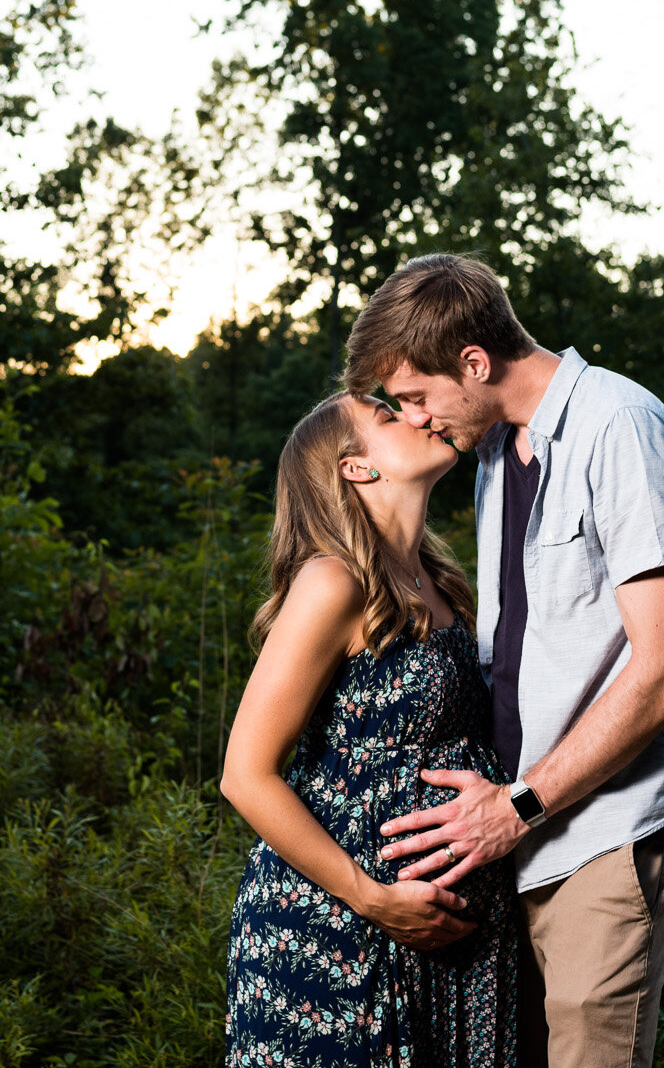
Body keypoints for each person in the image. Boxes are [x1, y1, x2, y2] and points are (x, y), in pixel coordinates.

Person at [342, 253, 664, 1068]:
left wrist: (517, 805)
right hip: (519, 837)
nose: (415, 419)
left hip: (599, 827)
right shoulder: (494, 453)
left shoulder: (620, 425)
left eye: (416, 396)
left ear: (475, 363)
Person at [222, 392, 519, 1068]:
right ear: (355, 468)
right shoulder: (333, 580)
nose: (417, 414)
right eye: (389, 414)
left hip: (447, 944)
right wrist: (374, 897)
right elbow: (245, 773)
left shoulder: (437, 582)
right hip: (340, 933)